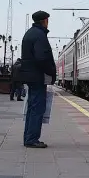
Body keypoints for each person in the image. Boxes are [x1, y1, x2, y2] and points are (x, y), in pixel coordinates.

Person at [19, 11, 56, 148]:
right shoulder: (39, 35)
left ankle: (29, 137)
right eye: (47, 20)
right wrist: (51, 71)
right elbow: (41, 58)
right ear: (45, 20)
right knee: (37, 108)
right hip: (37, 76)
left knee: (32, 107)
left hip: (31, 75)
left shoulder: (30, 33)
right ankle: (32, 139)